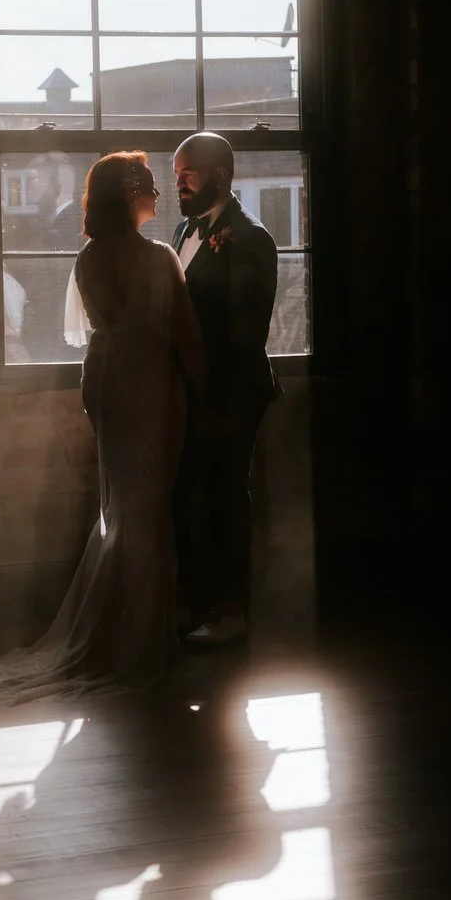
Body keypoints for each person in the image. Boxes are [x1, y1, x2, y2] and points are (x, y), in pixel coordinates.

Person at [0, 150, 207, 707]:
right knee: (149, 511)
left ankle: (121, 630)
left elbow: (102, 331)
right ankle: (141, 640)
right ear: (129, 195)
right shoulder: (158, 258)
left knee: (123, 508)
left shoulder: (89, 259)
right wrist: (207, 390)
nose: (159, 193)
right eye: (148, 183)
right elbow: (185, 336)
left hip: (107, 385)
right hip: (149, 388)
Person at [171, 131, 281, 647]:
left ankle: (231, 610)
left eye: (188, 172)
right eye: (175, 175)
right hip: (192, 390)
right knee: (190, 496)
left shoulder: (250, 238)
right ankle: (194, 603)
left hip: (233, 392)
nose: (179, 183)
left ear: (220, 174)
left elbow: (245, 334)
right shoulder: (181, 230)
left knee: (225, 497)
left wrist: (216, 404)